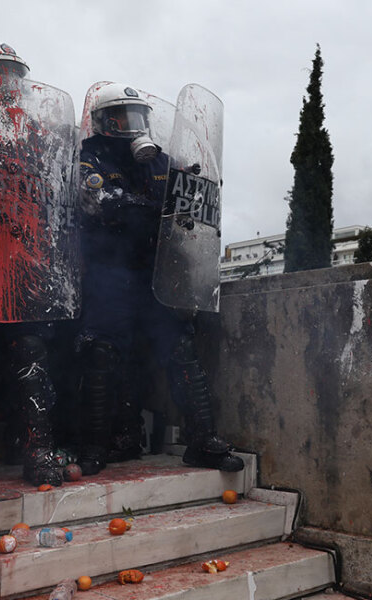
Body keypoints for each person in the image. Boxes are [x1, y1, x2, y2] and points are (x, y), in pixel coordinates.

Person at [76, 83, 242, 474]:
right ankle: (98, 446)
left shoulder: (161, 161)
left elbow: (189, 203)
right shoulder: (89, 157)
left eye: (139, 116)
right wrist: (155, 207)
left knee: (180, 348)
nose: (132, 125)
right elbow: (100, 203)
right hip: (109, 275)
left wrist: (197, 187)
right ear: (103, 122)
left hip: (157, 275)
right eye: (122, 116)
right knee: (103, 355)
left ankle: (202, 441)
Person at [0, 38, 67, 486]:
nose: (3, 82)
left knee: (28, 353)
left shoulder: (35, 134)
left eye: (10, 73)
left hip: (16, 263)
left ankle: (36, 446)